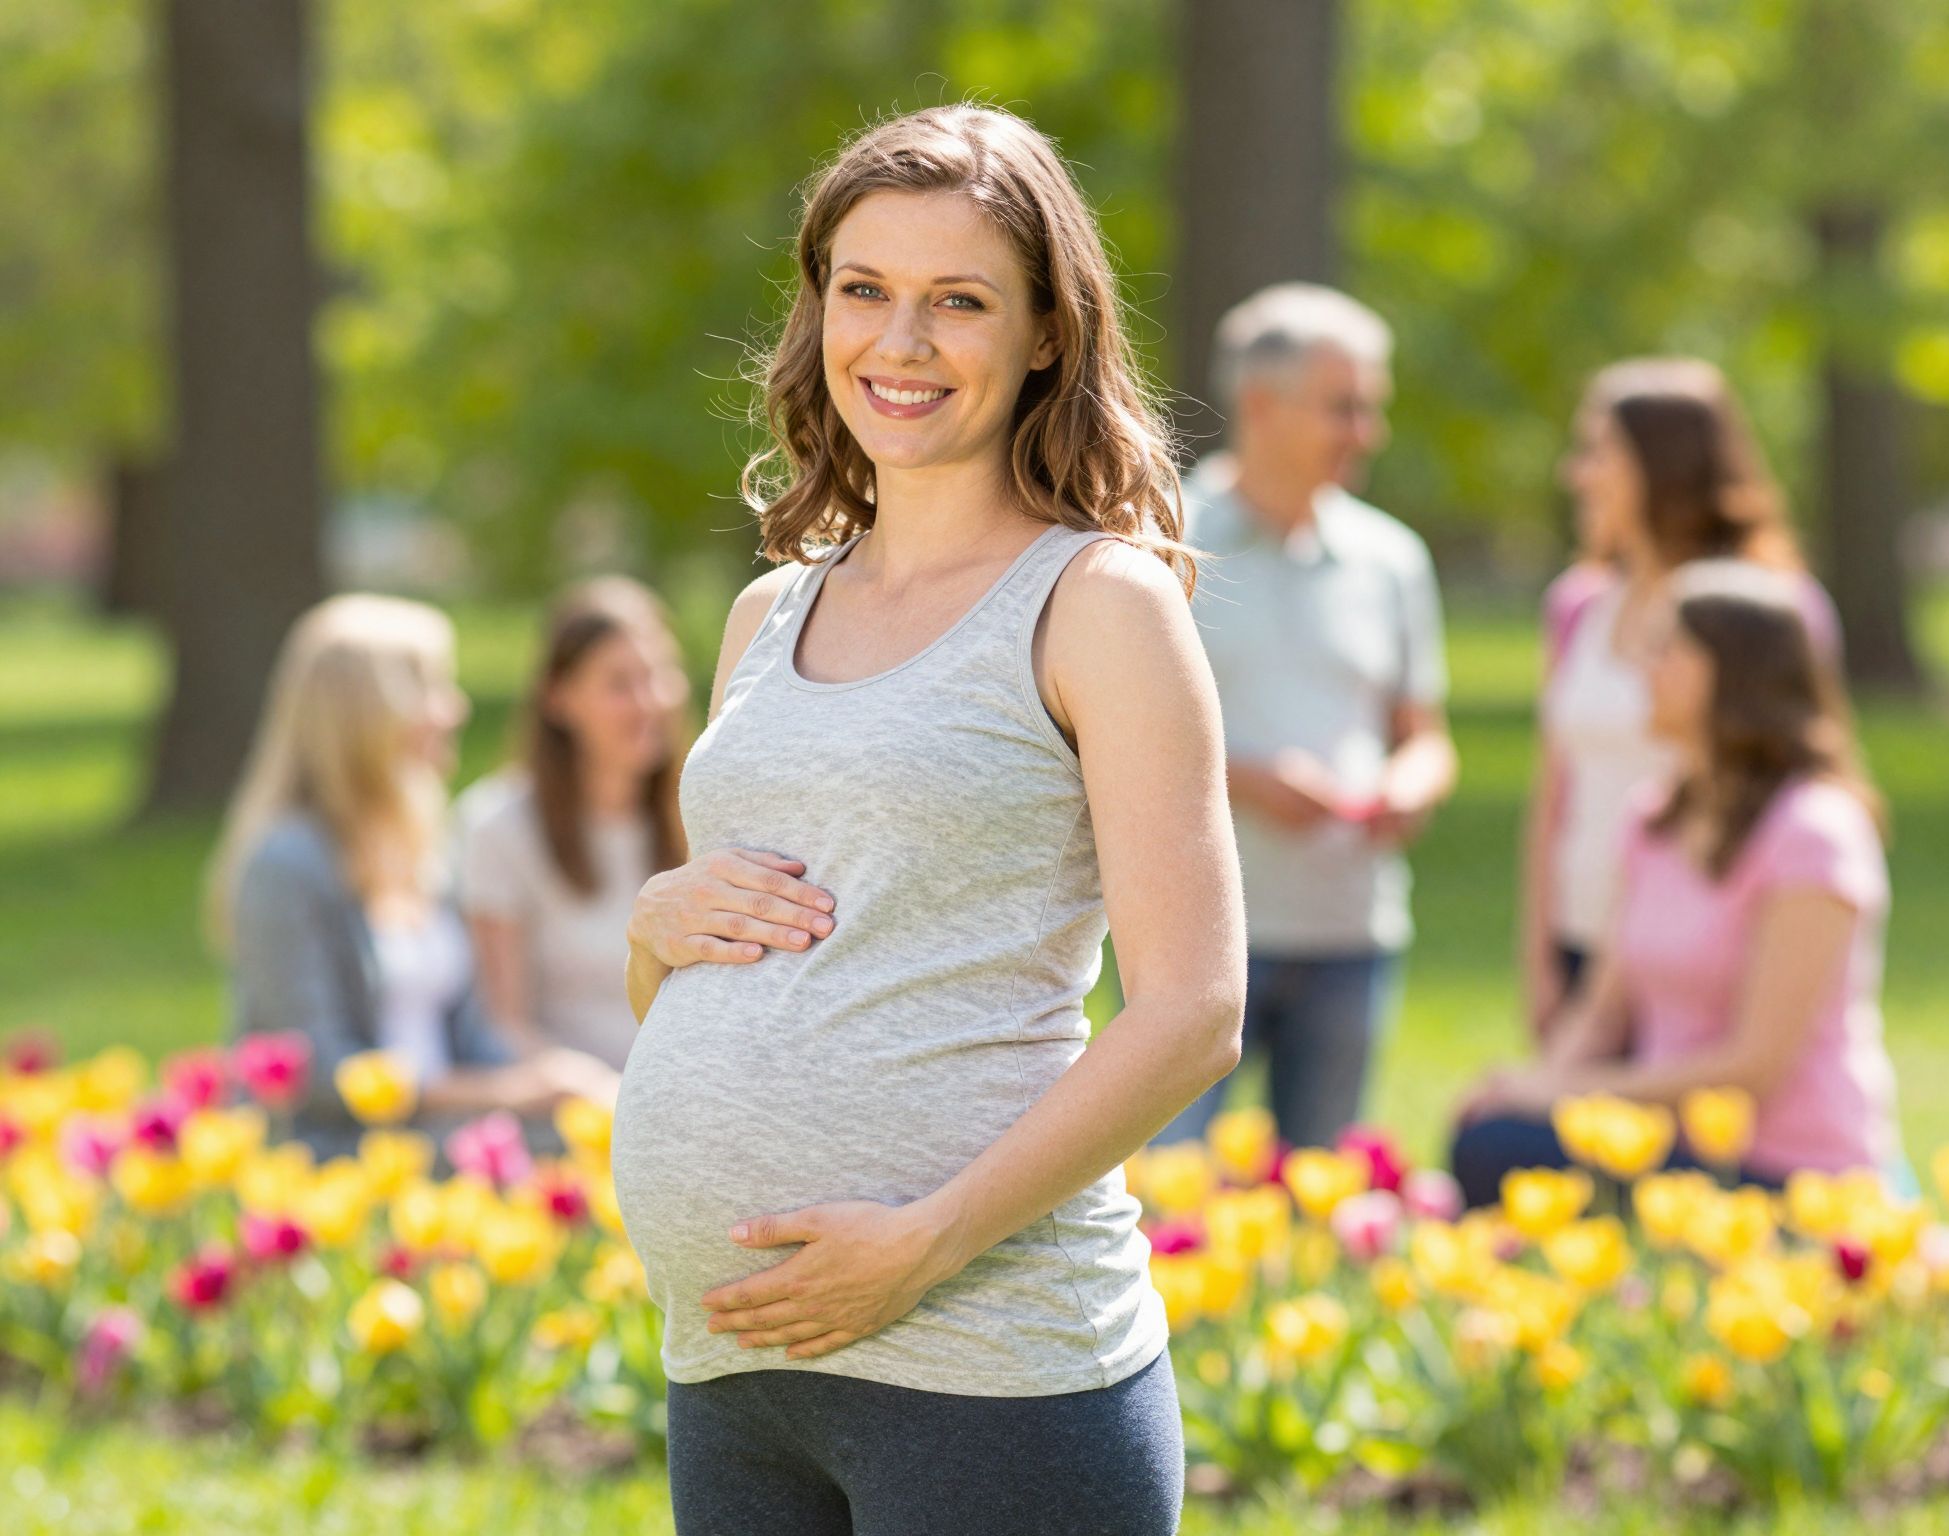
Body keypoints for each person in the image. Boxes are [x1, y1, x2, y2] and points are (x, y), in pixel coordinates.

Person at [609, 104, 1244, 1536]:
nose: (898, 343)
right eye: (864, 290)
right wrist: (655, 927)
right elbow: (736, 975)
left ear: (1045, 334)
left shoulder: (1098, 604)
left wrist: (923, 1243)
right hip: (735, 1367)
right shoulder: (770, 612)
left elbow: (1194, 1012)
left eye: (958, 300)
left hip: (988, 1370)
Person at [1452, 560, 1904, 1209]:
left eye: (1665, 648)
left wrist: (1569, 1096)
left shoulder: (1814, 830)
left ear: (1733, 673)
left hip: (1786, 1169)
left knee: (1497, 1151)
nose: (1641, 667)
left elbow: (1755, 1067)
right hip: (1670, 1143)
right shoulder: (1655, 817)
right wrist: (1530, 1085)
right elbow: (1603, 1013)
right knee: (1489, 1131)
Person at [1148, 282, 1457, 1154]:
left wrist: (1409, 785)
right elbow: (1099, 739)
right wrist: (1249, 782)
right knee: (1167, 1191)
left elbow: (1426, 738)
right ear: (1260, 405)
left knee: (1322, 1199)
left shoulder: (1391, 558)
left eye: (1370, 407)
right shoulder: (1159, 542)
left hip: (1349, 930)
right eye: (1344, 408)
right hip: (1192, 938)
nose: (1368, 432)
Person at [207, 594, 621, 1166]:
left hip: (437, 1131)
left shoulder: (427, 852)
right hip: (339, 1152)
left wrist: (556, 1077)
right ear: (368, 714)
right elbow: (321, 1073)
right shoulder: (286, 865)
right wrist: (501, 1094)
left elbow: (471, 1036)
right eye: (433, 688)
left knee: (606, 1128)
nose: (455, 709)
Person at [1520, 358, 1843, 1042]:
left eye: (1598, 452)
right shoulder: (1578, 607)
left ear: (1660, 463)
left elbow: (1811, 774)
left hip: (1704, 958)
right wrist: (1540, 961)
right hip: (1584, 934)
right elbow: (1553, 796)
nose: (1576, 474)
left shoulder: (1765, 611)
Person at [455, 577, 690, 1073]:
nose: (649, 701)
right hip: (572, 1101)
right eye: (619, 684)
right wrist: (591, 1091)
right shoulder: (498, 827)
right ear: (559, 697)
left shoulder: (699, 816)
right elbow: (504, 1025)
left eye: (658, 674)